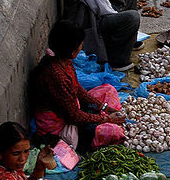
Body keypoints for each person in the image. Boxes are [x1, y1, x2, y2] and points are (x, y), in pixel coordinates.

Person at [29, 21, 126, 151]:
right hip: (61, 126)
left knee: (109, 90)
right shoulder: (56, 75)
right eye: (80, 44)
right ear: (73, 49)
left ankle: (104, 115)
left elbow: (77, 88)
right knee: (113, 132)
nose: (81, 46)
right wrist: (106, 119)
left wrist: (103, 106)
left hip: (71, 108)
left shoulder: (63, 60)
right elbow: (73, 116)